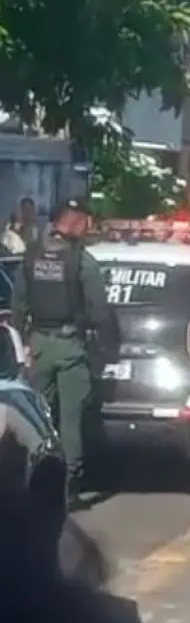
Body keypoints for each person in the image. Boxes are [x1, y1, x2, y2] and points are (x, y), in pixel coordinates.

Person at [10, 197, 118, 511]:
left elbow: (18, 306)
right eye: (86, 220)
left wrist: (22, 348)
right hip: (71, 347)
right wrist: (109, 350)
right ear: (75, 221)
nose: (88, 227)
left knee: (37, 419)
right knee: (70, 421)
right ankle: (67, 489)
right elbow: (99, 311)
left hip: (36, 347)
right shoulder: (81, 261)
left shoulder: (30, 257)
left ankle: (30, 482)